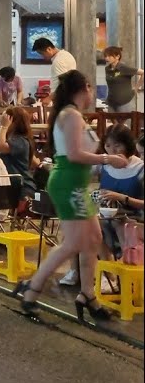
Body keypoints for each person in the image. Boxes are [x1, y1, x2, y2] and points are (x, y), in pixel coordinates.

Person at [14, 70, 129, 321]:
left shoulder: (71, 115)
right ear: (84, 88)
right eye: (90, 88)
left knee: (93, 238)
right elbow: (76, 155)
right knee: (74, 244)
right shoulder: (72, 116)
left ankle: (88, 295)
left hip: (75, 184)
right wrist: (108, 159)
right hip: (69, 185)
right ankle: (32, 289)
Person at [96, 124, 144, 258]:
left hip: (134, 217)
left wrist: (122, 198)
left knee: (119, 224)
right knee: (88, 225)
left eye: (117, 145)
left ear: (128, 145)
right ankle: (108, 272)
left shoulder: (139, 168)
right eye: (108, 145)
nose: (112, 151)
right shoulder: (103, 165)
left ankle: (127, 265)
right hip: (107, 215)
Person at [0, 107, 38, 198]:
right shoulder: (11, 139)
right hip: (11, 187)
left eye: (5, 118)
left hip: (22, 189)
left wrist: (3, 126)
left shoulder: (20, 140)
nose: (2, 121)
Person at [103, 46, 143, 113]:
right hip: (111, 101)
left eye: (109, 56)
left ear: (117, 57)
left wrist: (136, 87)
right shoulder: (107, 69)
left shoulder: (123, 67)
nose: (106, 58)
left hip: (124, 102)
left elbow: (143, 73)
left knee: (123, 122)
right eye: (105, 56)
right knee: (114, 122)